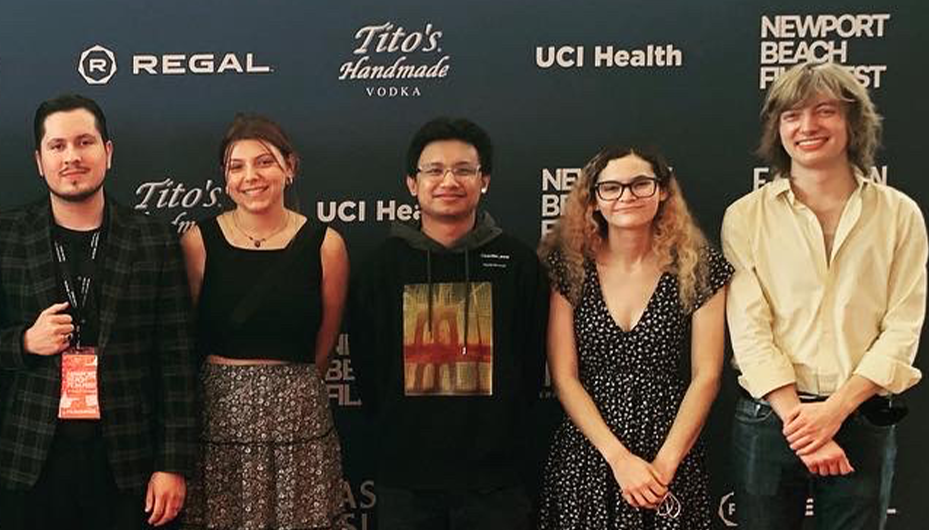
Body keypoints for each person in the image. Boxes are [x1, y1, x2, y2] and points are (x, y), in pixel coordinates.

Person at [0, 93, 197, 529]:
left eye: (84, 142)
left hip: (127, 463)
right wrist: (24, 342)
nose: (72, 157)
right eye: (57, 146)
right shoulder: (5, 236)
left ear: (108, 152)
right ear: (39, 160)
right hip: (30, 460)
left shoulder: (153, 239)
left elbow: (177, 360)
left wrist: (173, 463)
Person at [725, 60, 923, 530]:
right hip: (770, 419)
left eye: (825, 111)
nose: (807, 126)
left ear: (853, 122)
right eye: (791, 115)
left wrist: (834, 413)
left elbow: (903, 327)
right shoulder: (746, 217)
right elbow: (749, 330)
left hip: (860, 416)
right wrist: (804, 424)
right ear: (778, 129)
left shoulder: (900, 215)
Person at [347, 116, 548, 530]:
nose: (448, 181)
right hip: (405, 480)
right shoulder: (380, 268)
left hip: (497, 483)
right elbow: (367, 369)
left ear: (484, 180)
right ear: (411, 183)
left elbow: (530, 367)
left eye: (463, 170)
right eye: (434, 170)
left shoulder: (518, 263)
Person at [536, 146, 730, 529]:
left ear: (662, 192)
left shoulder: (698, 267)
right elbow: (564, 377)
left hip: (671, 450)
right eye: (611, 187)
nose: (626, 196)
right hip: (589, 452)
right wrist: (619, 459)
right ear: (593, 200)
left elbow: (707, 376)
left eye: (640, 183)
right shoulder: (568, 269)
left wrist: (664, 466)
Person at [179, 114, 349, 529]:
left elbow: (325, 344)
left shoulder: (326, 244)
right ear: (225, 178)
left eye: (265, 162)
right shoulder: (198, 242)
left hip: (299, 419)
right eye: (237, 166)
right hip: (218, 419)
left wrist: (287, 391)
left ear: (289, 168)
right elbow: (184, 339)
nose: (251, 176)